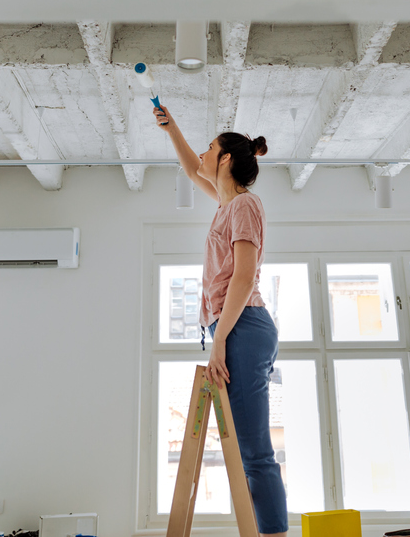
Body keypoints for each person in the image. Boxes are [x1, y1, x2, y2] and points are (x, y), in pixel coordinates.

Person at [155, 103, 287, 537]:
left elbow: (245, 276)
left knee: (255, 453)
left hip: (243, 327)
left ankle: (274, 535)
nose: (204, 153)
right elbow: (194, 171)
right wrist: (171, 127)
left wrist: (220, 339)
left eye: (210, 147)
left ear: (226, 158)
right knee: (251, 450)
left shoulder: (244, 206)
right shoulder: (228, 204)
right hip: (237, 327)